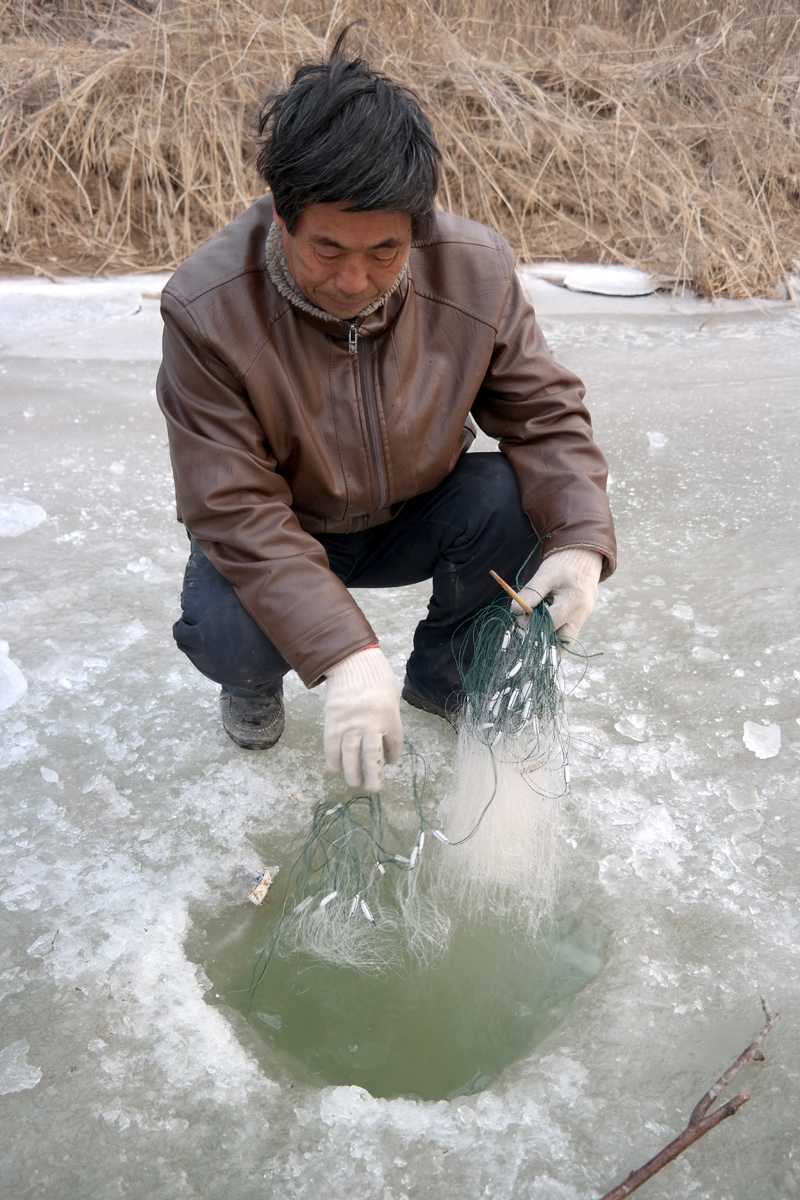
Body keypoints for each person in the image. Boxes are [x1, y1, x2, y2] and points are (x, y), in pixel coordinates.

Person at [156, 37, 616, 796]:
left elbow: (545, 414)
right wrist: (346, 651)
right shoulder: (207, 309)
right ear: (282, 216)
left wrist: (581, 542)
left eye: (385, 251)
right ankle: (254, 680)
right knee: (230, 631)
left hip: (413, 512)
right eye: (327, 249)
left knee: (514, 496)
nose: (354, 279)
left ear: (418, 224)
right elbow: (232, 507)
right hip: (283, 526)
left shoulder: (475, 270)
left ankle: (443, 683)